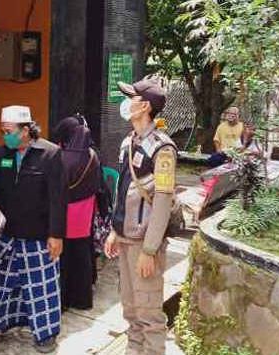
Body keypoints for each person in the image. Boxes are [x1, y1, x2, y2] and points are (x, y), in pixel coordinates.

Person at [0, 105, 66, 354]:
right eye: (2, 131)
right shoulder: (4, 152)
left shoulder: (50, 154)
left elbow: (58, 199)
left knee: (41, 286)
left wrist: (56, 235)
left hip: (38, 235)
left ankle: (45, 334)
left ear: (26, 130)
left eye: (9, 131)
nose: (4, 136)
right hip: (6, 234)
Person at [104, 79, 176, 355]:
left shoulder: (163, 149)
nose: (126, 102)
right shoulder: (128, 142)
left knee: (149, 316)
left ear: (144, 106)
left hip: (145, 244)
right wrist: (114, 230)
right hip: (125, 238)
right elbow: (123, 191)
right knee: (131, 311)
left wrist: (149, 249)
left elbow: (162, 202)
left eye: (131, 97)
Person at [52, 115, 101, 311]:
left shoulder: (62, 157)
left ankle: (63, 300)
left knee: (64, 258)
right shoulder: (92, 154)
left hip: (65, 211)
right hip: (86, 210)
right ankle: (82, 299)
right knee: (82, 254)